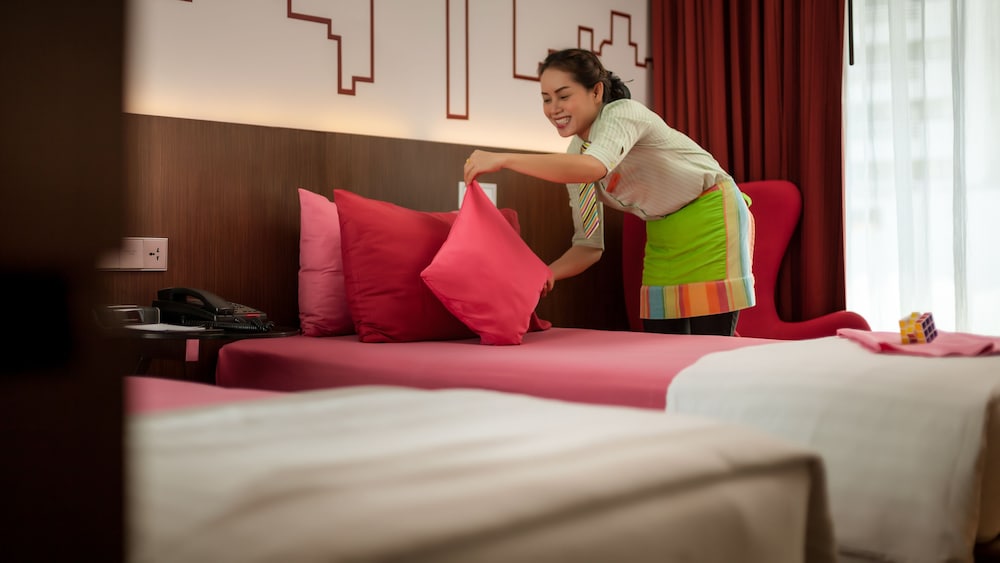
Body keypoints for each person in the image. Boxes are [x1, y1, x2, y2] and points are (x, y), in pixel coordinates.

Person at [463, 48, 754, 337]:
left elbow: (594, 167)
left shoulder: (622, 114)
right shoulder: (575, 157)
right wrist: (548, 272)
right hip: (663, 233)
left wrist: (505, 159)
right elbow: (588, 246)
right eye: (546, 99)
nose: (554, 109)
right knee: (661, 342)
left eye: (564, 96)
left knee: (710, 342)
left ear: (596, 91)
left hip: (710, 214)